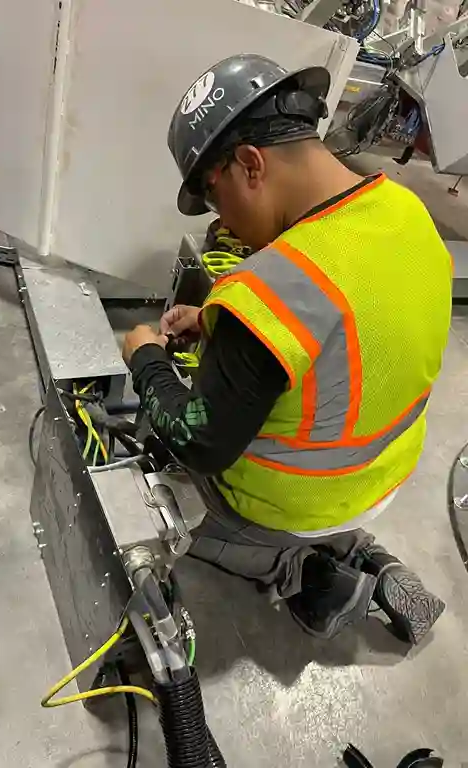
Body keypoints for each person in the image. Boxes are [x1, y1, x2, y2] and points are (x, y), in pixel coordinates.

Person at [121, 54, 452, 643]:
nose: (226, 225)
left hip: (294, 499)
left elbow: (199, 439)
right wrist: (220, 326)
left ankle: (312, 573)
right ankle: (358, 546)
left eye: (218, 201)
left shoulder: (271, 286)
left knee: (172, 497)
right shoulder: (406, 212)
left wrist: (145, 356)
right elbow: (346, 331)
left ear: (250, 164)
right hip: (387, 471)